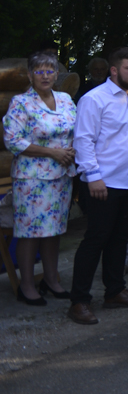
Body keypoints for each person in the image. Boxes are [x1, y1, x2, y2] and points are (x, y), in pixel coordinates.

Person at [68, 48, 128, 324]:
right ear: (114, 71)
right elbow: (83, 140)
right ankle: (79, 301)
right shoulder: (94, 99)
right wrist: (93, 176)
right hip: (103, 183)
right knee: (96, 239)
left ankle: (114, 291)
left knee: (121, 237)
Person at [3, 51, 76, 305]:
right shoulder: (21, 102)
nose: (45, 76)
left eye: (49, 71)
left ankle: (51, 279)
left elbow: (77, 130)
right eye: (39, 71)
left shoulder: (66, 99)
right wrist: (52, 152)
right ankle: (26, 284)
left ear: (56, 74)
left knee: (54, 231)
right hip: (31, 178)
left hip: (61, 176)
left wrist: (71, 151)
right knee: (30, 232)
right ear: (30, 75)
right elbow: (12, 140)